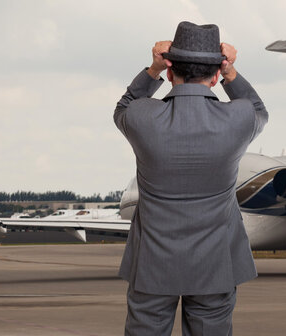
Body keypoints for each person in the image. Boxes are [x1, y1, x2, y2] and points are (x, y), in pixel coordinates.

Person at [114, 21, 268, 335]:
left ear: (171, 72)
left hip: (152, 263)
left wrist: (153, 68)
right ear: (215, 77)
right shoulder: (237, 119)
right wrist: (231, 72)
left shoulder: (143, 118)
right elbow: (257, 109)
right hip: (216, 263)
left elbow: (123, 107)